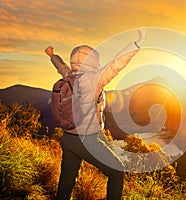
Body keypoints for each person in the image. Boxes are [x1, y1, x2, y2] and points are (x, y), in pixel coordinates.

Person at [45, 28, 146, 200]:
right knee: (116, 171)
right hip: (86, 140)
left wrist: (52, 55)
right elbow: (116, 64)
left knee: (67, 178)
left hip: (68, 139)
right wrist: (137, 43)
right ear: (92, 61)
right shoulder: (93, 79)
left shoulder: (69, 75)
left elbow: (60, 66)